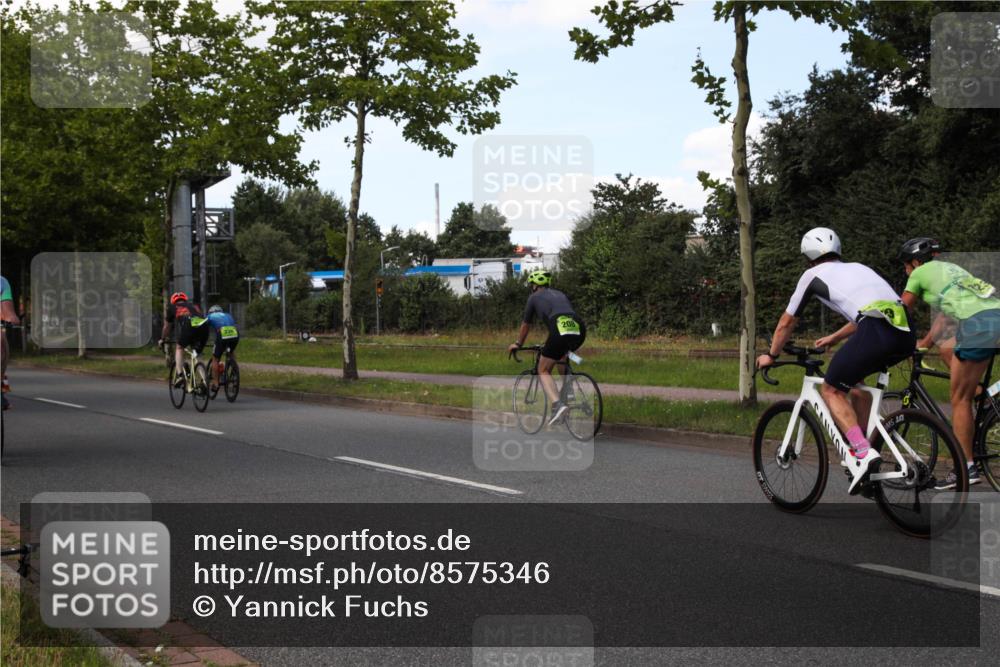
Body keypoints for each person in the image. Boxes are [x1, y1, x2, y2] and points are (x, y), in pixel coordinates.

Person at [756, 228, 915, 493]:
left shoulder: (811, 275)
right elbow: (870, 311)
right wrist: (834, 338)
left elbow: (787, 322)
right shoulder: (860, 268)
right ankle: (863, 446)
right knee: (855, 384)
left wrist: (771, 355)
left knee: (830, 389)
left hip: (875, 331)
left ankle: (863, 453)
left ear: (808, 255)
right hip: (905, 332)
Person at [899, 237, 1000, 488]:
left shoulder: (920, 273)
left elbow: (900, 311)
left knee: (959, 400)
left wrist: (890, 343)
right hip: (994, 316)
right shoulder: (953, 271)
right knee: (948, 345)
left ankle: (964, 469)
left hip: (978, 324)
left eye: (905, 266)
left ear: (914, 262)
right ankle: (984, 397)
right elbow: (943, 320)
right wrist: (923, 346)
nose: (906, 271)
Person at [507, 270, 586, 426]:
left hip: (558, 329)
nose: (531, 287)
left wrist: (518, 343)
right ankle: (567, 390)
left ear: (535, 285)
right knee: (561, 355)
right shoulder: (560, 294)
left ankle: (558, 405)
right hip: (579, 327)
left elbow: (526, 325)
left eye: (531, 285)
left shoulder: (533, 298)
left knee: (542, 370)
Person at [158, 292, 209, 386]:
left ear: (173, 301)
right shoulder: (194, 305)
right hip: (204, 324)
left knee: (179, 348)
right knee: (197, 354)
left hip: (189, 323)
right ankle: (205, 381)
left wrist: (162, 339)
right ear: (185, 299)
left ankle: (180, 375)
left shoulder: (173, 307)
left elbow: (166, 327)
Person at [206, 305, 239, 391]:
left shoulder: (210, 316)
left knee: (215, 359)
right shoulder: (227, 315)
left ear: (211, 312)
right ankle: (234, 373)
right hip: (235, 333)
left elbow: (202, 328)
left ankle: (216, 383)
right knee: (231, 353)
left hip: (222, 333)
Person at [1, 275, 20, 411]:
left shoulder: (1, 282)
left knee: (1, 342)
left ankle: (1, 392)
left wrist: (11, 317)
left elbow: (7, 311)